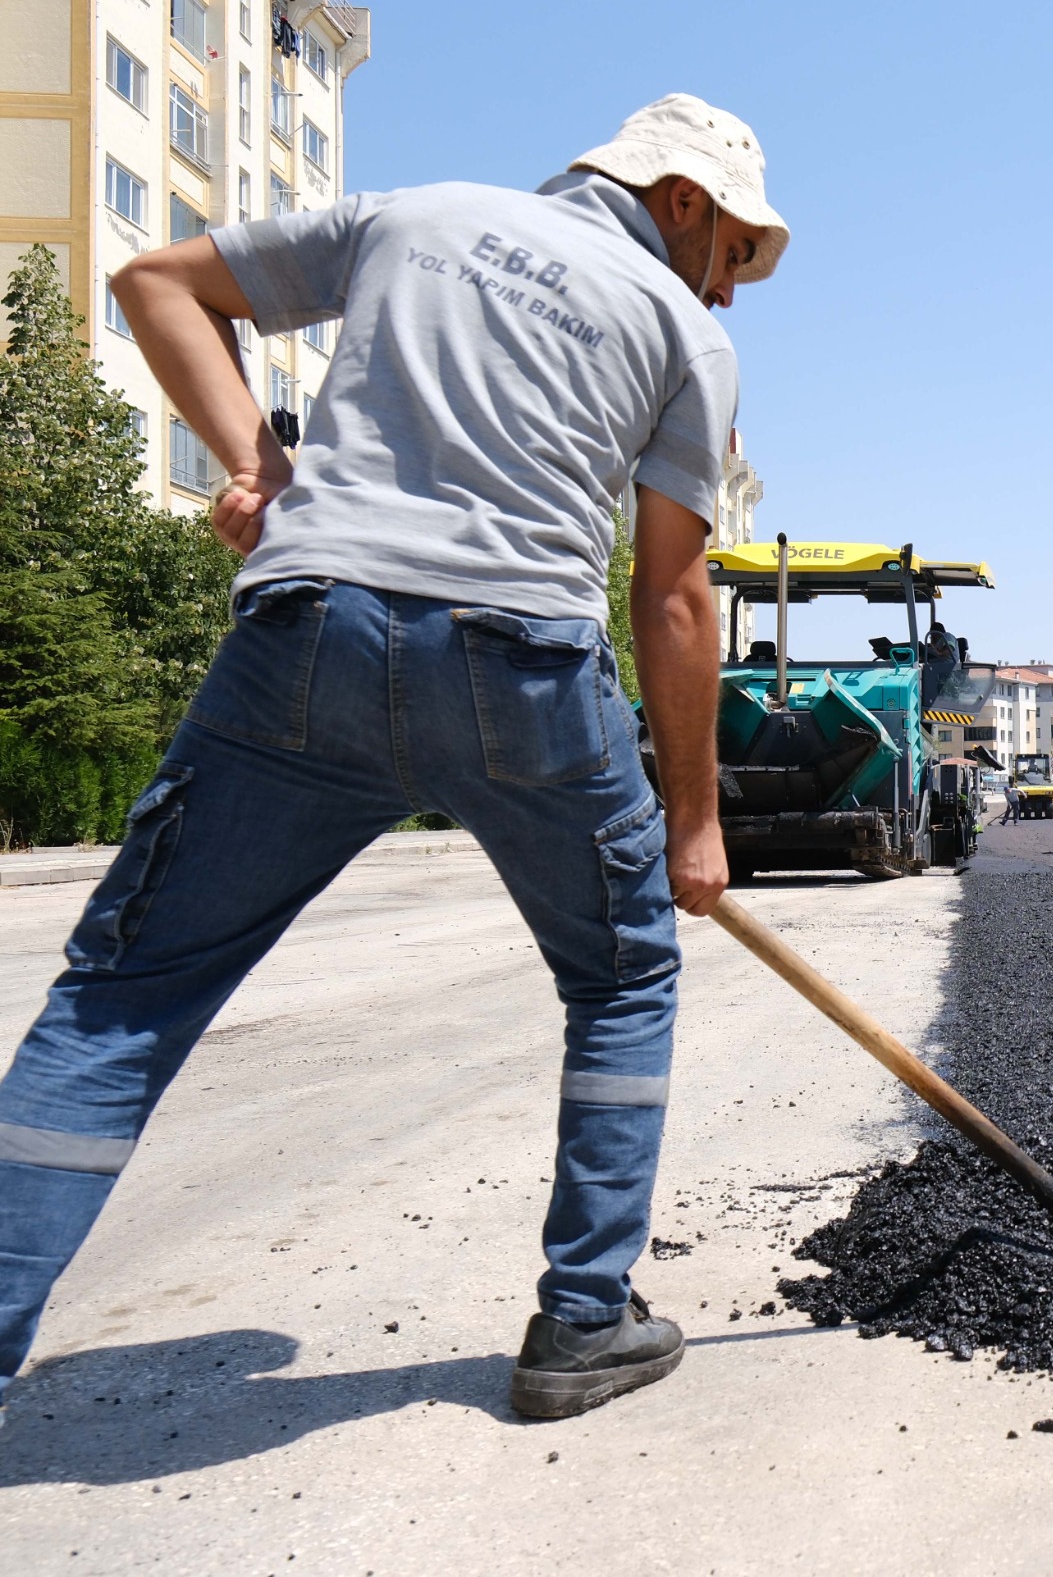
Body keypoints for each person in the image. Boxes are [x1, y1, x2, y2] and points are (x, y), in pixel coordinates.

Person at [0, 94, 787, 1426]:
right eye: (734, 255)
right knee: (626, 966)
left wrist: (264, 467)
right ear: (683, 203)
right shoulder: (681, 335)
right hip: (520, 671)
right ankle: (585, 1319)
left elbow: (153, 283)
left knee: (124, 993)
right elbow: (671, 595)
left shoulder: (408, 216)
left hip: (309, 641)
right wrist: (694, 824)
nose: (733, 287)